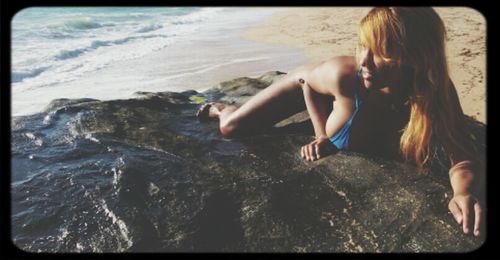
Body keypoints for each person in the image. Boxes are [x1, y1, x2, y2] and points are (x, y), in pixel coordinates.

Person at [196, 7, 485, 237]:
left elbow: (460, 153)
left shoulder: (434, 89)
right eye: (362, 47)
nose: (364, 61)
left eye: (381, 52)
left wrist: (463, 192)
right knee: (231, 128)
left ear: (415, 57)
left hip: (340, 89)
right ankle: (222, 107)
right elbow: (305, 84)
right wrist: (321, 134)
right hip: (306, 82)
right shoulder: (345, 75)